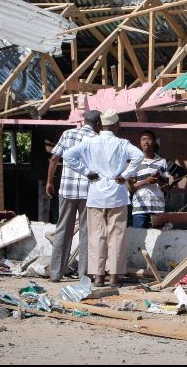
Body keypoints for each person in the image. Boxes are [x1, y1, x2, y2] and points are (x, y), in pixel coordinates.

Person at [64, 109, 144, 287]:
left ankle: (99, 278)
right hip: (117, 195)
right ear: (116, 125)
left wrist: (86, 172)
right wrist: (126, 174)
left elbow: (68, 155)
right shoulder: (122, 143)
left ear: (101, 125)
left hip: (96, 195)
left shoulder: (90, 142)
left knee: (96, 236)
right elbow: (139, 156)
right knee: (116, 236)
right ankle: (114, 278)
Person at [45, 110, 101, 283]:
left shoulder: (67, 134)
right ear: (98, 124)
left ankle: (55, 274)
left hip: (67, 190)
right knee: (87, 233)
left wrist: (49, 182)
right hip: (89, 192)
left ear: (84, 121)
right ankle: (84, 276)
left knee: (62, 230)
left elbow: (54, 158)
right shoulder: (97, 140)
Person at [129, 130, 170, 229]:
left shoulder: (162, 162)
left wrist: (159, 179)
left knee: (159, 241)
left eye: (149, 139)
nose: (146, 142)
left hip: (158, 209)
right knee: (138, 240)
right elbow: (130, 188)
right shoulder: (134, 162)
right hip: (140, 209)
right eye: (143, 139)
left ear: (154, 142)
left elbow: (167, 189)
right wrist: (145, 181)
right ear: (140, 142)